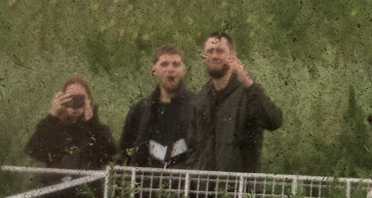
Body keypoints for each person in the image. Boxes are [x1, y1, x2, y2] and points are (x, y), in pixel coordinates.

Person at [22, 77, 116, 198]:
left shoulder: (97, 129)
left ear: (89, 101)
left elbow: (109, 155)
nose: (74, 103)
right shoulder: (52, 128)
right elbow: (33, 150)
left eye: (80, 98)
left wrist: (91, 121)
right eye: (69, 97)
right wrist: (52, 115)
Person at [182, 32, 283, 174]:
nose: (214, 56)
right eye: (210, 51)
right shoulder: (201, 99)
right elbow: (192, 147)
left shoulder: (248, 92)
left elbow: (274, 121)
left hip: (241, 189)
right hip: (205, 191)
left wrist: (248, 82)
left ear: (233, 54)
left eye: (220, 51)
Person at [118, 46, 195, 172]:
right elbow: (124, 150)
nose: (170, 69)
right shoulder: (140, 110)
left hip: (185, 185)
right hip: (144, 185)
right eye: (164, 64)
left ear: (184, 70)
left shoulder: (197, 106)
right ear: (154, 69)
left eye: (176, 64)